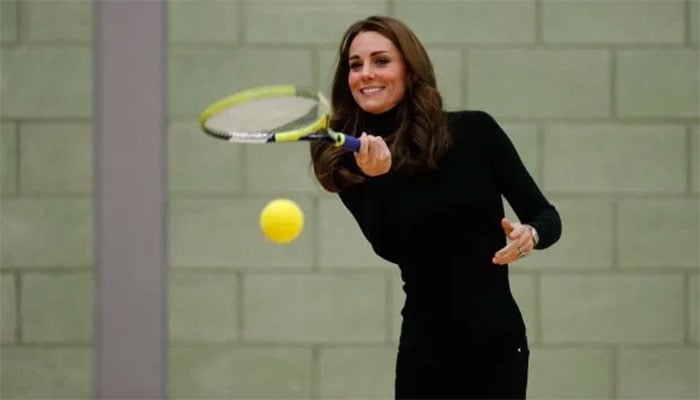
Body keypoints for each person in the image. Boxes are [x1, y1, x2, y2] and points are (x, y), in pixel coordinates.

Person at [310, 15, 561, 400]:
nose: (365, 73)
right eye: (355, 65)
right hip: (425, 351)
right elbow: (391, 245)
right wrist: (378, 178)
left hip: (497, 345)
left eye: (381, 61)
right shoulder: (346, 158)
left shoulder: (476, 132)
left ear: (410, 70)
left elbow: (547, 216)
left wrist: (531, 233)